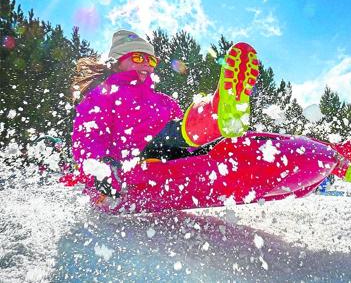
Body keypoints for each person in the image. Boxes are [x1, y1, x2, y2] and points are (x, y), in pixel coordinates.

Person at [71, 30, 260, 197]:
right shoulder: (102, 95)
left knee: (206, 140)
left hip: (171, 160)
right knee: (166, 136)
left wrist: (203, 152)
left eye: (151, 60)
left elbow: (184, 137)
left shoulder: (164, 101)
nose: (147, 64)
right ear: (116, 63)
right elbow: (88, 135)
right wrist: (100, 168)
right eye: (138, 58)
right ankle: (215, 113)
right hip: (128, 170)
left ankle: (241, 141)